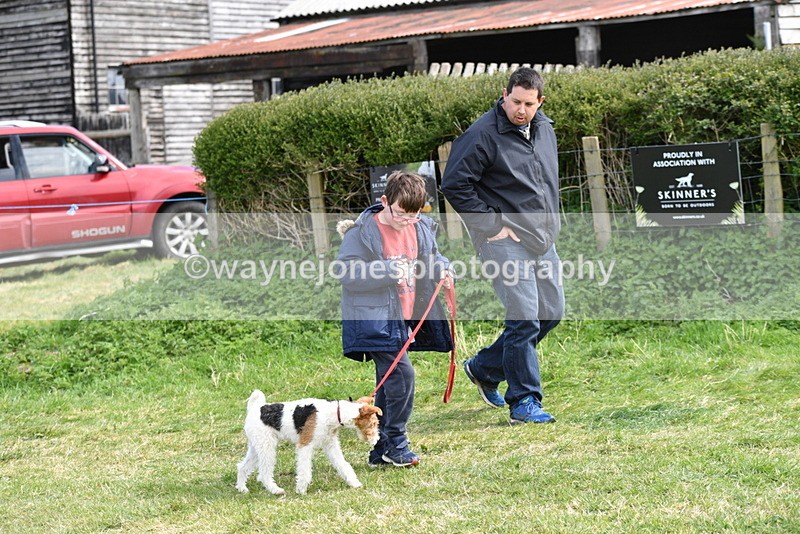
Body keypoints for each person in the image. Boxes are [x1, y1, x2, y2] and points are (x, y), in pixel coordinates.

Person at [441, 67, 564, 424]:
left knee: (550, 313)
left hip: (541, 237)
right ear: (504, 95)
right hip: (503, 241)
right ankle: (524, 402)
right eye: (515, 101)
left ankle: (485, 368)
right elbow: (455, 184)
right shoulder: (481, 135)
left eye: (529, 104)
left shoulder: (545, 129)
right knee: (524, 317)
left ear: (540, 102)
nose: (521, 110)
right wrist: (492, 225)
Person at [336, 170, 453, 467]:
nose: (406, 221)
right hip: (375, 319)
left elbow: (433, 257)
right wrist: (389, 271)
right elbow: (346, 272)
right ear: (385, 201)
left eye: (414, 215)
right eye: (401, 213)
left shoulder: (420, 227)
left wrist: (443, 268)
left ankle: (380, 449)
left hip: (406, 317)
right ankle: (396, 443)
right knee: (402, 376)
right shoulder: (361, 232)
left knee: (389, 382)